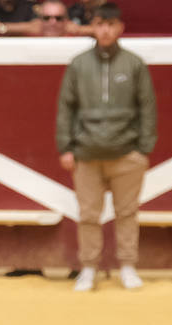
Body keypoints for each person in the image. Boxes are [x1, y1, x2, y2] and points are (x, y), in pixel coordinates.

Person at [56, 1, 155, 291]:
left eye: (111, 25)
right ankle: (88, 268)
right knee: (88, 215)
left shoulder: (134, 64)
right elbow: (66, 109)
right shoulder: (79, 65)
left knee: (127, 212)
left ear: (120, 28)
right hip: (87, 151)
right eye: (100, 24)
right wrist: (66, 147)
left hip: (127, 152)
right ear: (94, 28)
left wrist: (143, 149)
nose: (106, 30)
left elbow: (147, 109)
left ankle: (127, 266)